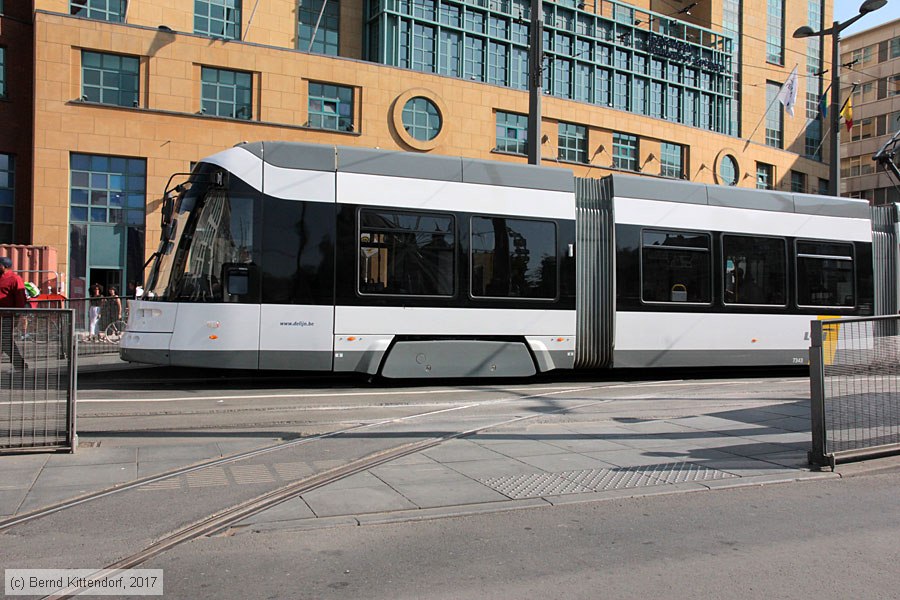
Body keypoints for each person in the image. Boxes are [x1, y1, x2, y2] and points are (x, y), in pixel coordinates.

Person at [0, 256, 28, 370]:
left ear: (3, 266)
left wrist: (18, 315)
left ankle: (19, 365)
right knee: (4, 341)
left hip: (7, 315)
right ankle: (19, 365)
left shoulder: (14, 279)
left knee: (5, 340)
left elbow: (20, 298)